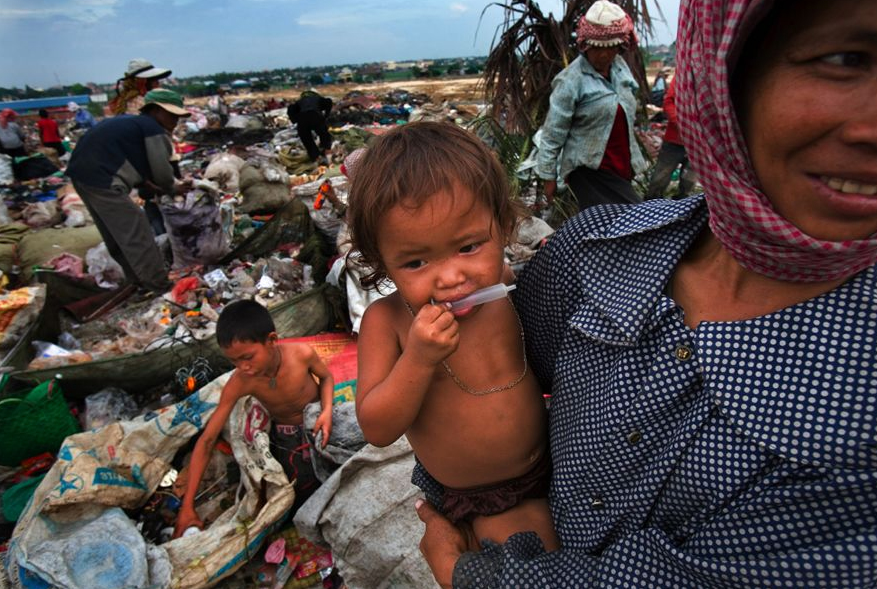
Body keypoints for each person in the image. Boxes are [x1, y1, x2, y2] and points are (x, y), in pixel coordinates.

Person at [416, 0, 877, 586]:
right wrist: (461, 497)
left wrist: (475, 578)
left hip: (620, 170)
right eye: (846, 59)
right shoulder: (593, 255)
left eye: (615, 44)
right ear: (718, 76)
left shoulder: (876, 411)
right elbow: (478, 375)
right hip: (589, 171)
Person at [349, 121, 558, 552]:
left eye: (468, 248)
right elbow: (377, 428)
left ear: (501, 226)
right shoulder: (386, 322)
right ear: (379, 261)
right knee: (534, 555)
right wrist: (418, 359)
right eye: (415, 262)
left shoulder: (503, 283)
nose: (451, 277)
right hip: (480, 496)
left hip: (551, 463)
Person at [173, 299, 335, 538]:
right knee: (301, 493)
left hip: (321, 422)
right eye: (234, 361)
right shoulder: (241, 382)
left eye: (248, 357)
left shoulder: (301, 354)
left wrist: (328, 411)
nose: (243, 367)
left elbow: (327, 379)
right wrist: (187, 507)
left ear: (271, 340)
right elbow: (207, 440)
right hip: (288, 438)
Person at [65, 89, 192, 293]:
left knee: (115, 233)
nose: (175, 121)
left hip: (82, 176)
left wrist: (145, 183)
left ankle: (137, 282)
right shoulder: (152, 128)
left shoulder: (131, 124)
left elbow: (130, 160)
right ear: (155, 111)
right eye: (172, 115)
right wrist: (173, 187)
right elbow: (162, 172)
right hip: (102, 179)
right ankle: (159, 284)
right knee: (136, 228)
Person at [537, 0, 646, 210]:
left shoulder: (621, 70)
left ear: (619, 46)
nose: (603, 55)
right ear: (586, 45)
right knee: (630, 218)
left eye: (610, 48)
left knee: (619, 227)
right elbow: (553, 132)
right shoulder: (571, 81)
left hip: (621, 168)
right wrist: (548, 176)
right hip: (589, 171)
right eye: (597, 49)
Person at [643, 76, 696, 200]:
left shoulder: (716, 81)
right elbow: (668, 102)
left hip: (697, 144)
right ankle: (651, 205)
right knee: (659, 178)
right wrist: (682, 123)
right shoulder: (683, 76)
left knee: (688, 182)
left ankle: (682, 208)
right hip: (675, 140)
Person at [287, 90, 333, 165]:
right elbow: (329, 101)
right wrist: (326, 116)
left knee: (307, 139)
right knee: (324, 134)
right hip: (315, 116)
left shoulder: (299, 101)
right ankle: (327, 154)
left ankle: (317, 158)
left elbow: (291, 108)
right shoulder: (318, 98)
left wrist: (295, 120)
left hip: (302, 119)